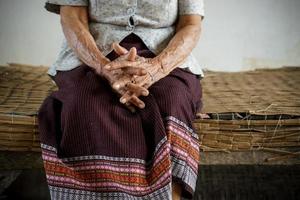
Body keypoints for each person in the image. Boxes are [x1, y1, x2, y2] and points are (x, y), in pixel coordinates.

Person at [38, 0, 205, 199]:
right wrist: (104, 68)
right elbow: (72, 17)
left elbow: (191, 24)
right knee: (83, 104)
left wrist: (156, 68)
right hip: (91, 55)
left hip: (166, 57)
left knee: (172, 101)